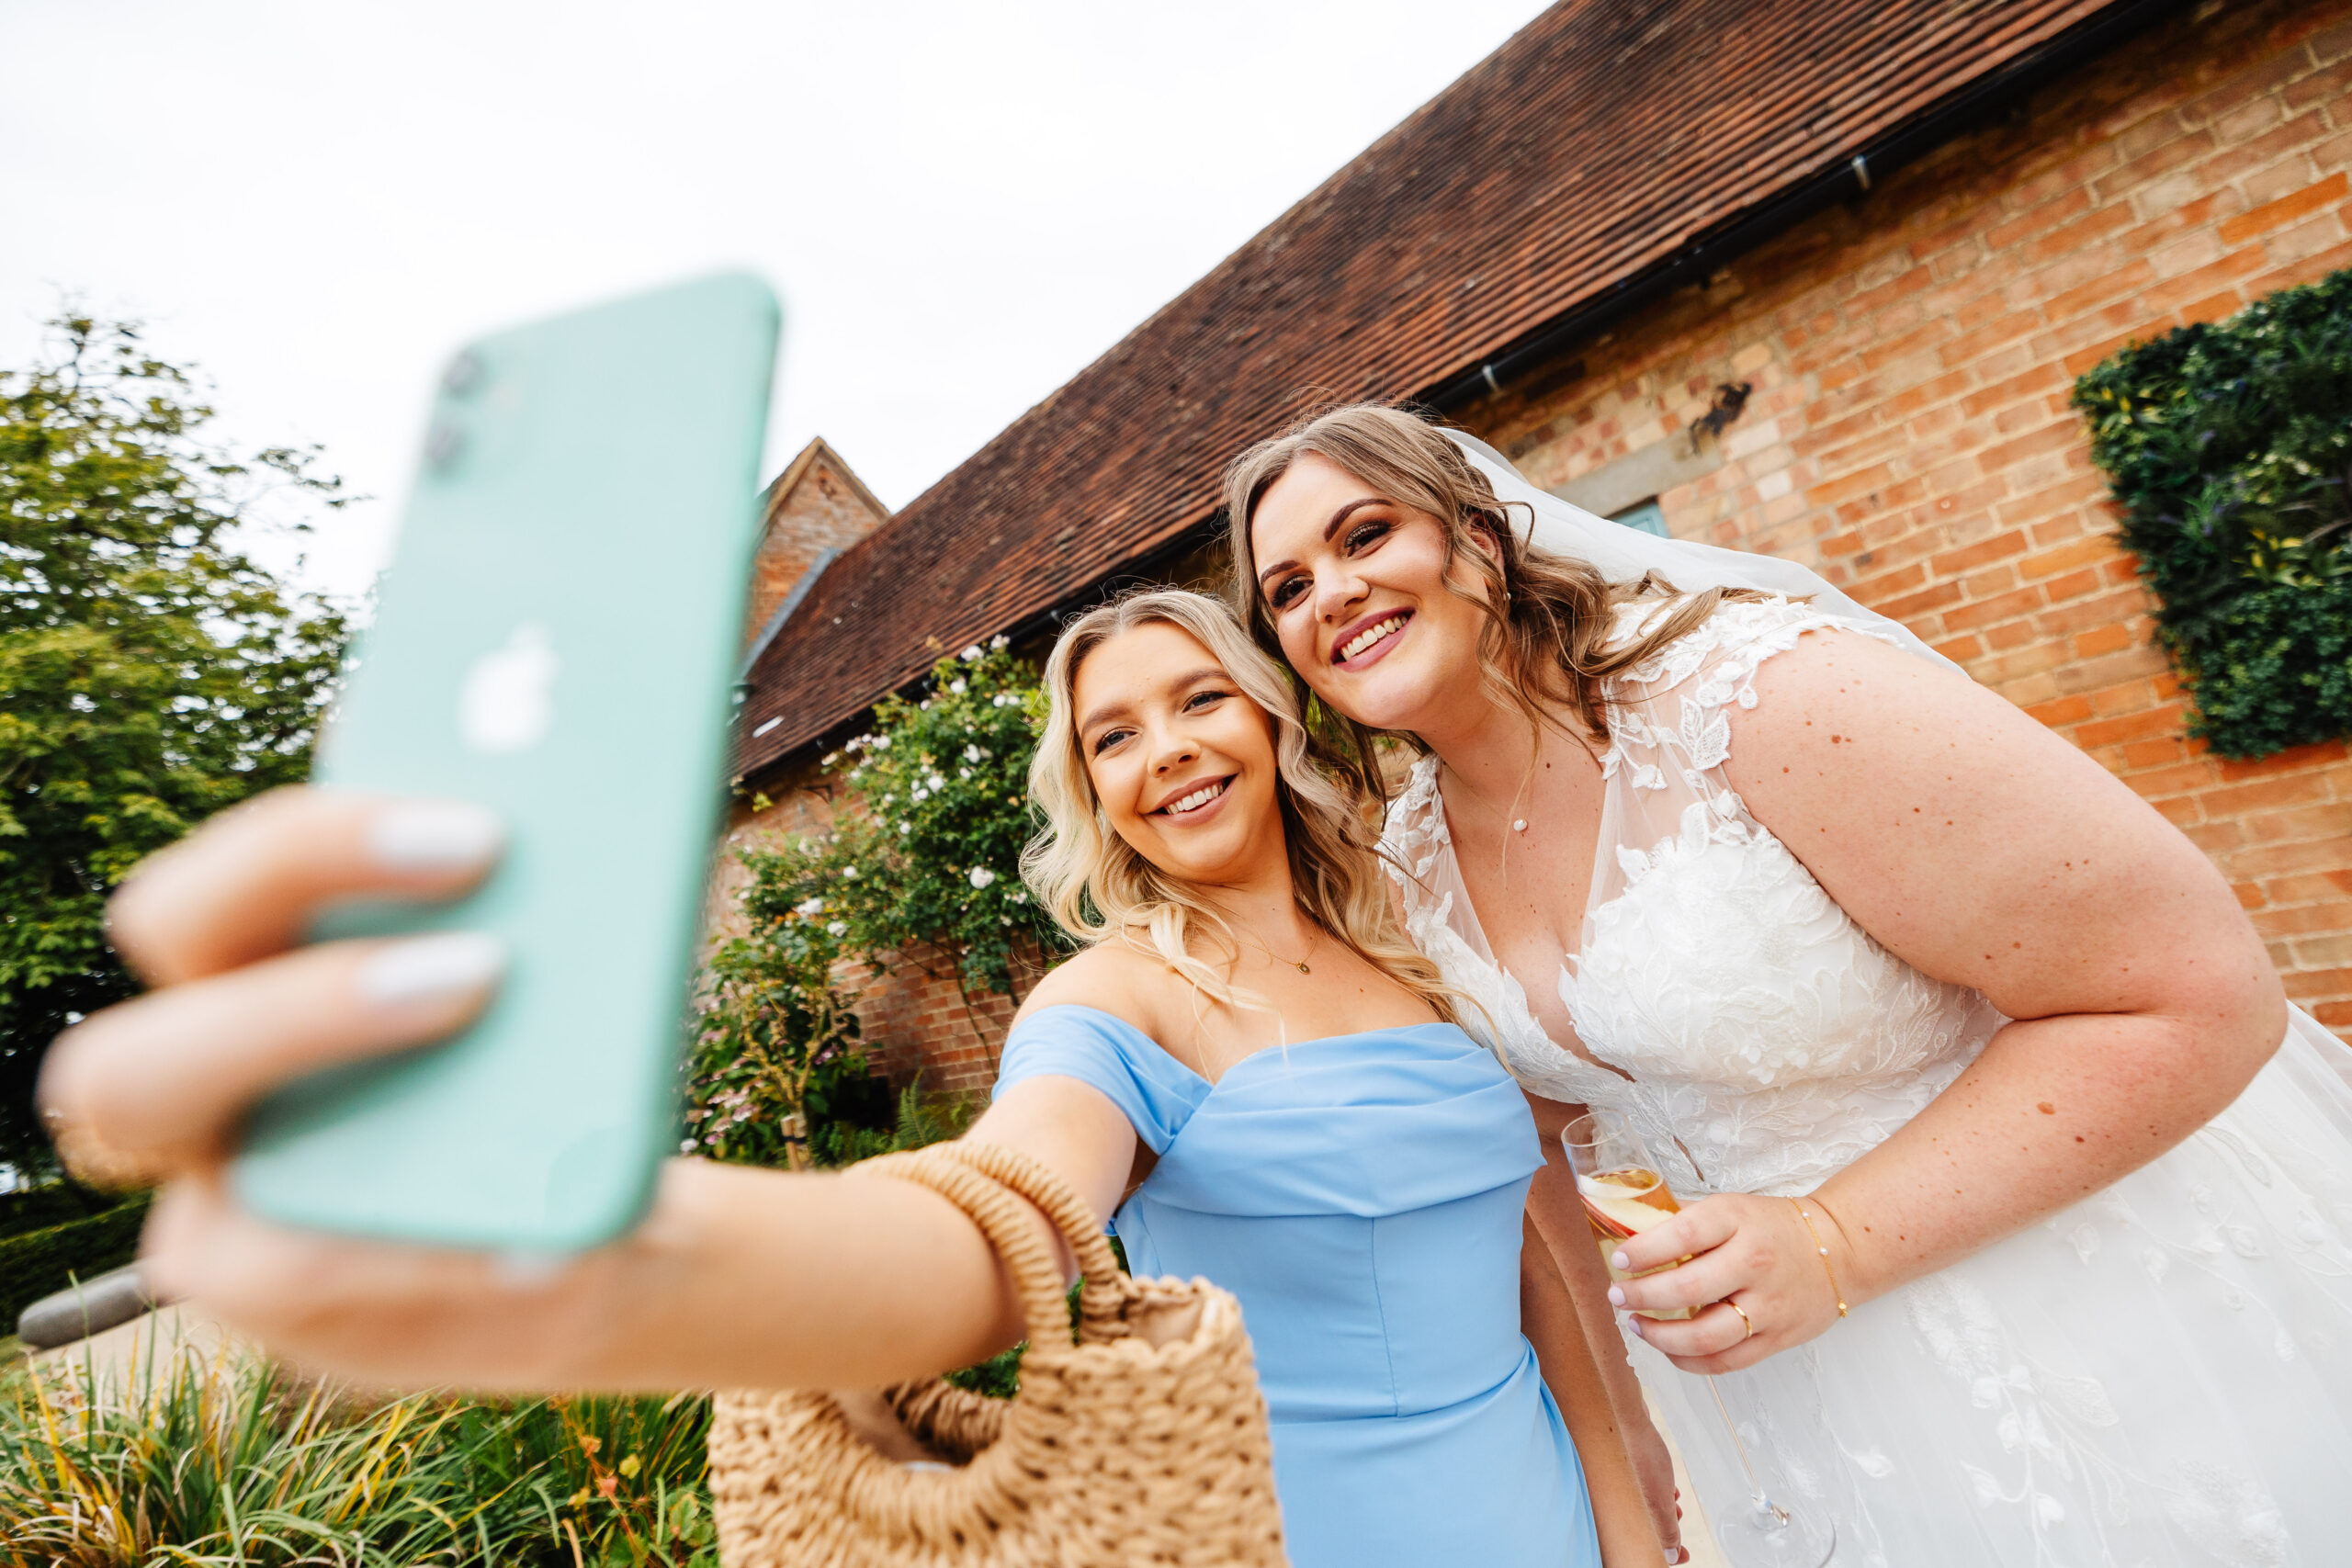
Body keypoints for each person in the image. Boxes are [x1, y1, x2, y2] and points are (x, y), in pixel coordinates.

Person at [40, 588, 1659, 1567]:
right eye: (1111, 734)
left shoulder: (1415, 955)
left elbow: (1542, 1260)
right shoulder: (1118, 1000)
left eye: (1196, 700)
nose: (1164, 749)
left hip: (1532, 1498)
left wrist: (1633, 1508)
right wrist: (601, 1252)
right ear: (1088, 789)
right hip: (1292, 1528)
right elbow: (990, 1217)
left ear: (1270, 714)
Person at [1223, 402, 2352, 1567]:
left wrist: (1832, 1244)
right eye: (1289, 589)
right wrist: (1627, 1434)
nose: (1332, 595)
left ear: (1480, 538)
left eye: (1364, 537)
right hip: (1796, 1411)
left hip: (2095, 1316)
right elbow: (1560, 1155)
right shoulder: (1404, 863)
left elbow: (2199, 992)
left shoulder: (1763, 697)